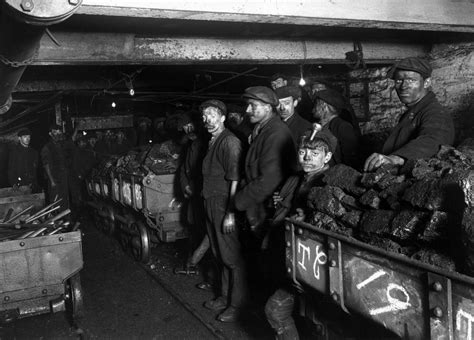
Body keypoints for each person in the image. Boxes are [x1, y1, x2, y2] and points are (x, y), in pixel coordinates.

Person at [265, 129, 336, 340]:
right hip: (296, 261)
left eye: (315, 153)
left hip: (318, 266)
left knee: (318, 323)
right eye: (303, 151)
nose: (307, 158)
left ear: (328, 156)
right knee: (277, 311)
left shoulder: (329, 182)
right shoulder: (298, 178)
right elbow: (279, 203)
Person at [199, 99, 246, 323]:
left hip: (223, 203)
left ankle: (237, 305)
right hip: (210, 201)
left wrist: (230, 212)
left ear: (223, 117)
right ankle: (224, 296)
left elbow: (235, 178)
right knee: (219, 254)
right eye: (205, 115)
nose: (207, 119)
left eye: (212, 114)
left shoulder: (230, 142)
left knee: (232, 257)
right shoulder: (213, 140)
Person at [364, 57, 455, 171]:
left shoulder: (435, 112)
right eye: (399, 80)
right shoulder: (413, 111)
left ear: (426, 83)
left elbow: (434, 140)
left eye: (411, 80)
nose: (403, 86)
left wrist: (396, 159)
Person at [235, 86, 296, 237]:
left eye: (253, 106)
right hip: (257, 205)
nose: (248, 110)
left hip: (266, 208)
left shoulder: (276, 133)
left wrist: (237, 201)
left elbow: (270, 179)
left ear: (268, 108)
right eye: (248, 105)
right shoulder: (263, 129)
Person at [313, 89, 361, 168]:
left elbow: (350, 160)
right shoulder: (319, 126)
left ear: (324, 106)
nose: (313, 108)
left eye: (316, 104)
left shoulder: (342, 127)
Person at [41, 124, 70, 212]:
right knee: (55, 202)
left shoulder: (61, 146)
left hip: (63, 177)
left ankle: (65, 221)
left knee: (64, 200)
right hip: (54, 179)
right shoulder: (47, 147)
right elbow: (46, 165)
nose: (57, 134)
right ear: (50, 134)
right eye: (55, 132)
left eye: (59, 132)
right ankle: (56, 221)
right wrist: (52, 180)